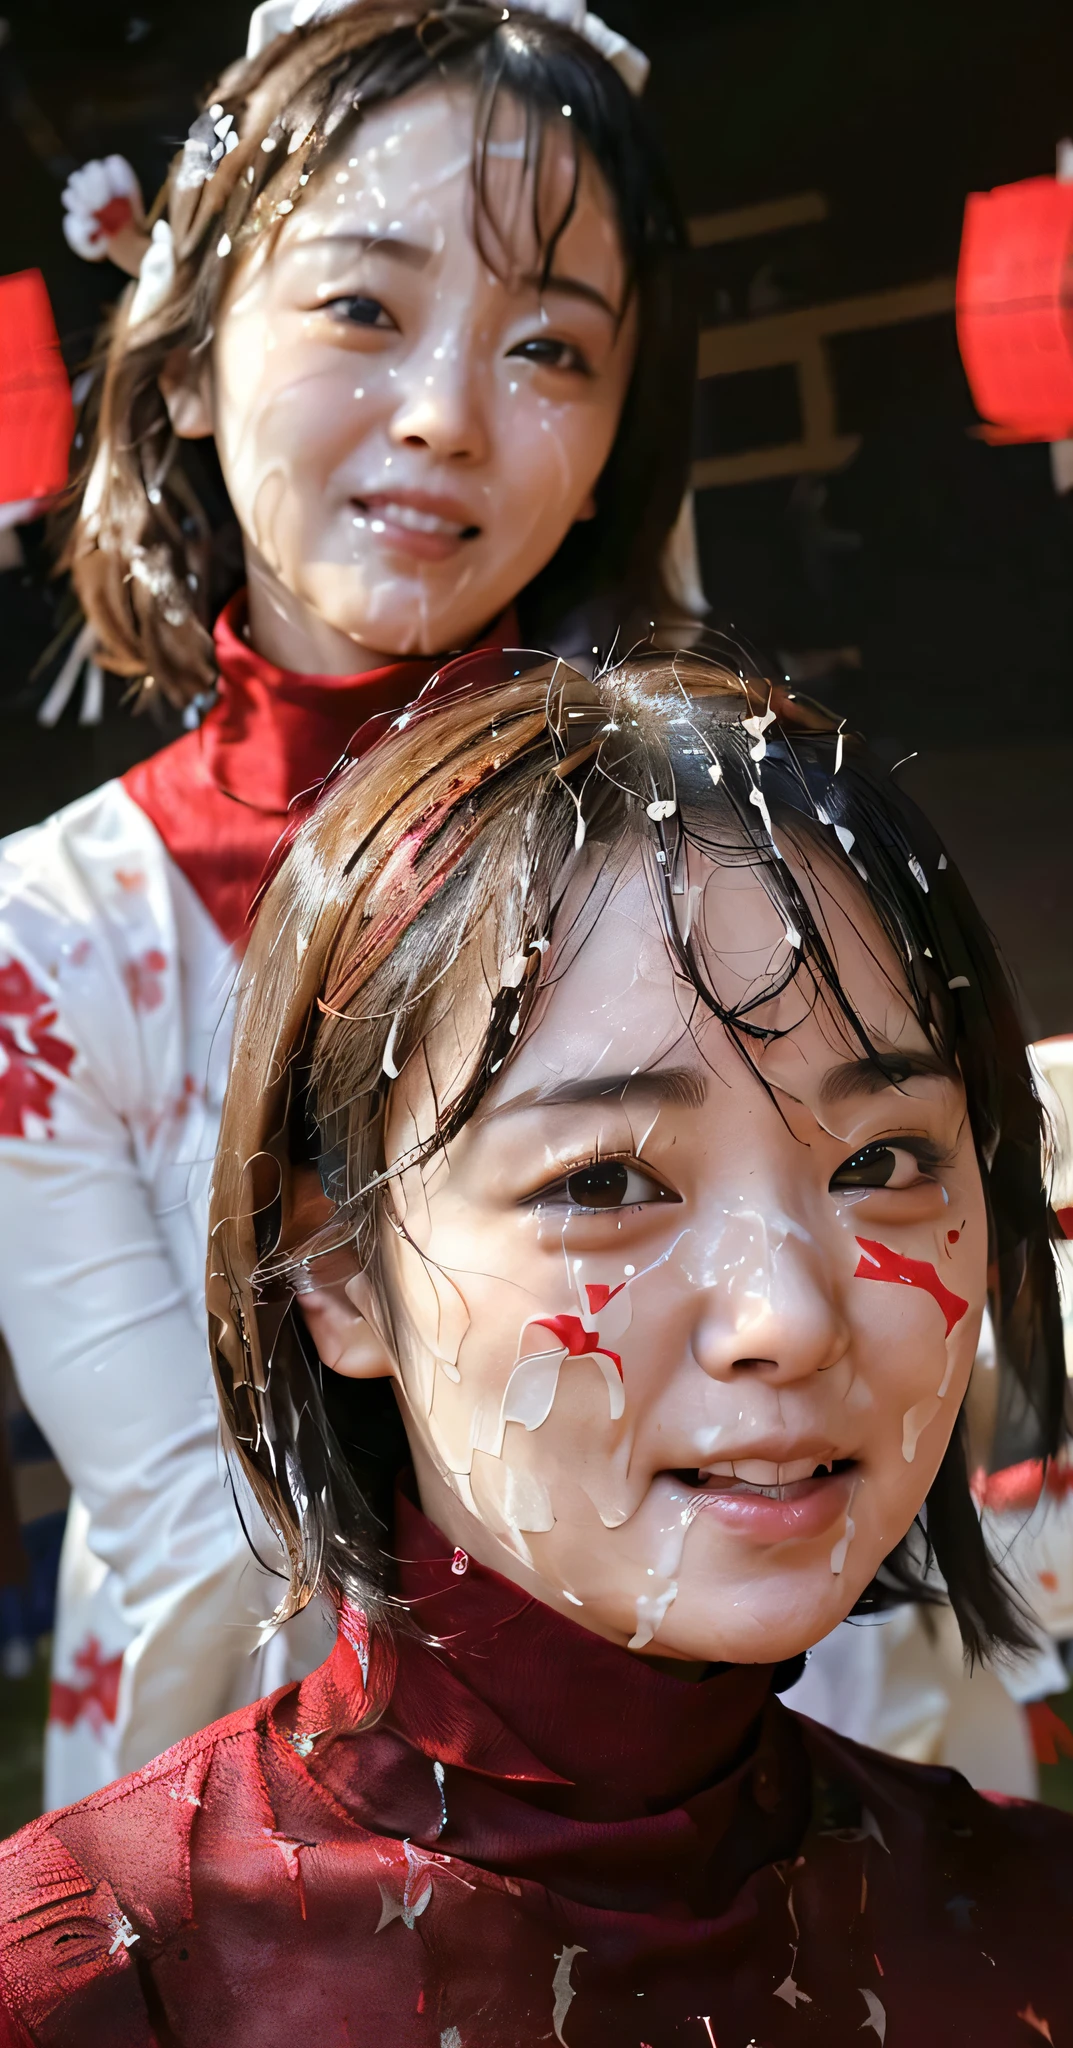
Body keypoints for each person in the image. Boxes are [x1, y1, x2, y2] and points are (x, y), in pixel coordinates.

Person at [1, 644, 1073, 2044]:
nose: (790, 1317)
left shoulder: (1045, 1939)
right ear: (338, 1274)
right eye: (607, 1184)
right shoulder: (92, 1991)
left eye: (880, 1158)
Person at [0, 0, 699, 1804]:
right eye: (364, 306)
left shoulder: (712, 863)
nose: (450, 417)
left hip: (713, 1732)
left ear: (625, 428)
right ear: (183, 362)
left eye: (551, 345)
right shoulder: (55, 939)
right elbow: (195, 1526)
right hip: (267, 1785)